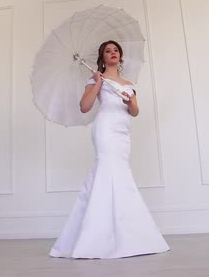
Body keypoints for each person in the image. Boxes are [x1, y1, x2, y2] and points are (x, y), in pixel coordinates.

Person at [49, 40, 170, 259]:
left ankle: (126, 236)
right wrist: (96, 82)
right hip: (105, 129)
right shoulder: (96, 79)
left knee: (120, 175)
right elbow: (84, 106)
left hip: (123, 133)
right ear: (102, 57)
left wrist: (131, 100)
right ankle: (95, 237)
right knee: (107, 172)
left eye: (115, 50)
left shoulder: (128, 82)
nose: (112, 53)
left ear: (120, 56)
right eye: (108, 51)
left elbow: (134, 112)